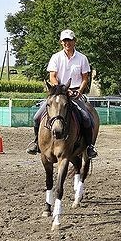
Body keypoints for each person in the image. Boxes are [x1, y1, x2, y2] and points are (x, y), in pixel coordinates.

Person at [26, 29, 98, 159]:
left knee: (87, 118)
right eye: (65, 40)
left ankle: (89, 147)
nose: (67, 43)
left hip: (75, 93)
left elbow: (85, 78)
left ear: (74, 41)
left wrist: (79, 91)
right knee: (37, 117)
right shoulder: (56, 57)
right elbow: (52, 76)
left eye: (69, 40)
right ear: (61, 42)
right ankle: (37, 143)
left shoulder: (82, 58)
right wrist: (62, 89)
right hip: (58, 93)